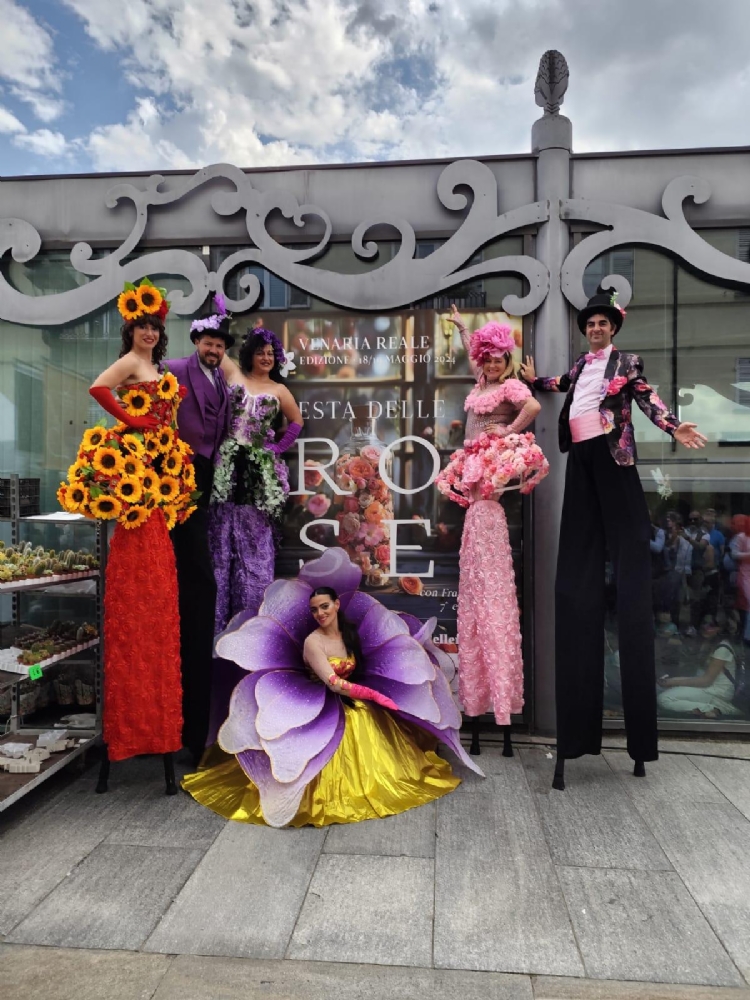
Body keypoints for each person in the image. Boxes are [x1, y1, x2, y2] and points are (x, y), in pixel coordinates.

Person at [520, 289, 707, 789]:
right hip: (580, 457)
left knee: (627, 559)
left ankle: (640, 742)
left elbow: (645, 397)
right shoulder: (582, 365)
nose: (597, 328)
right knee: (577, 565)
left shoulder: (626, 362)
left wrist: (671, 427)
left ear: (614, 328)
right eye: (592, 323)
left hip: (613, 455)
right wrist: (529, 379)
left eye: (604, 323)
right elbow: (559, 385)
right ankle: (577, 734)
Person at [182, 548, 483, 827]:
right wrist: (374, 696)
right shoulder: (313, 643)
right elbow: (335, 683)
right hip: (318, 704)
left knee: (370, 720)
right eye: (314, 610)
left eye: (324, 607)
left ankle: (377, 779)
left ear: (337, 605)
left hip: (351, 697)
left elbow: (366, 663)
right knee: (361, 714)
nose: (320, 614)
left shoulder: (349, 633)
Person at [59, 279, 198, 792]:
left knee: (160, 610)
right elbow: (98, 386)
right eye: (141, 326)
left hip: (158, 490)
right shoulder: (132, 366)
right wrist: (132, 421)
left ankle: (160, 730)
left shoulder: (161, 369)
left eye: (153, 327)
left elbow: (170, 417)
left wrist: (166, 445)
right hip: (138, 490)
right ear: (131, 329)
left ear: (160, 333)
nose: (147, 333)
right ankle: (132, 734)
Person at [436, 306, 548, 753]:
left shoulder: (510, 387)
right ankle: (481, 702)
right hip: (475, 511)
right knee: (477, 599)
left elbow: (534, 406)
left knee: (493, 599)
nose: (492, 363)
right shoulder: (482, 382)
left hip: (490, 508)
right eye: (488, 357)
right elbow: (471, 355)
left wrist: (502, 437)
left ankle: (497, 703)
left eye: (499, 357)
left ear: (506, 357)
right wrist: (464, 329)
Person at [205, 326, 304, 743]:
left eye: (270, 353)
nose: (265, 358)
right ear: (248, 354)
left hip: (257, 479)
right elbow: (213, 344)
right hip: (227, 473)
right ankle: (217, 636)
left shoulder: (279, 389)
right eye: (260, 352)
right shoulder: (233, 377)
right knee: (219, 552)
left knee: (255, 556)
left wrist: (273, 450)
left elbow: (296, 423)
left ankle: (253, 632)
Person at [168, 296, 232, 765]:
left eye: (219, 346)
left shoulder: (223, 380)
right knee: (194, 574)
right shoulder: (171, 368)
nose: (213, 350)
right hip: (178, 471)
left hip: (209, 474)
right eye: (209, 343)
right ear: (196, 341)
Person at [657, 641, 743, 718]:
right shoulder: (707, 643)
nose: (706, 628)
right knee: (660, 689)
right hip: (706, 688)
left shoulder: (722, 647)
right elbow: (699, 677)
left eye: (712, 625)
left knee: (664, 698)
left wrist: (673, 682)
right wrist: (672, 681)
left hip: (717, 692)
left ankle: (718, 709)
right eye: (704, 624)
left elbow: (706, 681)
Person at [683, 510, 711, 637]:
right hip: (681, 568)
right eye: (691, 519)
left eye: (696, 519)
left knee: (695, 599)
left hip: (696, 569)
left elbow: (700, 547)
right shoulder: (684, 531)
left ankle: (693, 626)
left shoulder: (705, 534)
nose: (693, 522)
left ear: (700, 520)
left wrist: (688, 538)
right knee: (679, 598)